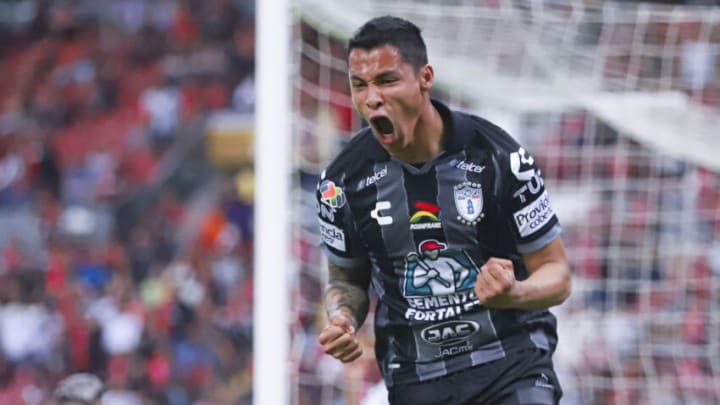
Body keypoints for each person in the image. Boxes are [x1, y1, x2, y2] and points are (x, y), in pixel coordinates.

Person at [316, 15, 572, 405]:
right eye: (359, 85)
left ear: (425, 78)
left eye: (387, 81)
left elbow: (557, 274)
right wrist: (343, 318)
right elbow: (346, 280)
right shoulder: (340, 184)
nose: (371, 99)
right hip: (418, 378)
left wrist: (514, 292)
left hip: (511, 363)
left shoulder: (500, 157)